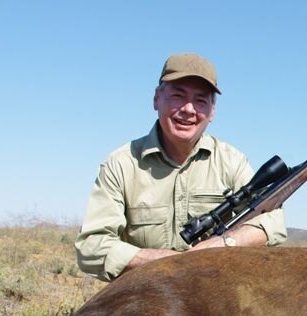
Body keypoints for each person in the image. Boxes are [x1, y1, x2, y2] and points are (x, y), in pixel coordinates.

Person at [76, 53, 287, 280]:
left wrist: (224, 244)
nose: (188, 109)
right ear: (157, 99)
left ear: (212, 111)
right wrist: (172, 263)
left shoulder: (232, 161)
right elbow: (92, 247)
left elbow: (273, 222)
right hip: (144, 293)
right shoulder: (121, 163)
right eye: (178, 96)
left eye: (200, 100)